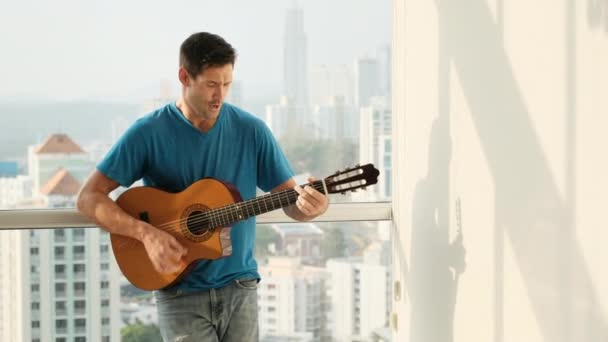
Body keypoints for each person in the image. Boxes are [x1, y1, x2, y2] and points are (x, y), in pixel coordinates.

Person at [77, 31, 329, 342]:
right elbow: (88, 199)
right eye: (211, 84)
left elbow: (290, 202)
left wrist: (311, 206)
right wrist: (145, 234)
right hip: (179, 293)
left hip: (241, 290)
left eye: (226, 84)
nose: (219, 95)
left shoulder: (252, 131)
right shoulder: (148, 133)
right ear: (185, 77)